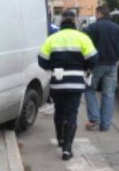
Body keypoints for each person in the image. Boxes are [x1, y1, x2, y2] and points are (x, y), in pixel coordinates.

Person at [38, 9, 98, 160]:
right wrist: (84, 67)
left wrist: (52, 67)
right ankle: (67, 149)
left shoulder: (52, 38)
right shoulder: (83, 38)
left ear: (61, 21)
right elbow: (93, 59)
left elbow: (42, 60)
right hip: (76, 82)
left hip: (57, 82)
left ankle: (60, 139)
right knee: (72, 113)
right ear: (75, 21)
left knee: (59, 111)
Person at [83, 5, 119, 132]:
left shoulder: (93, 27)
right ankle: (105, 124)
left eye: (96, 14)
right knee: (108, 94)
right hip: (112, 65)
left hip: (95, 64)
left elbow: (84, 44)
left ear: (99, 13)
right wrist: (115, 59)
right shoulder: (117, 28)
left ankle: (95, 118)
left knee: (89, 90)